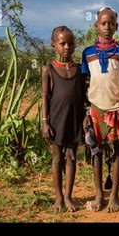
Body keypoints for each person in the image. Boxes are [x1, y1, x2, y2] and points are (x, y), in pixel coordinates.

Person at [81, 7, 119, 212]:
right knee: (96, 151)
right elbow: (83, 84)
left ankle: (114, 194)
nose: (107, 27)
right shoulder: (87, 53)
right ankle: (99, 194)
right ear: (96, 25)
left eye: (111, 24)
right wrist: (85, 111)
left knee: (117, 151)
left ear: (116, 26)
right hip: (95, 108)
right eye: (103, 23)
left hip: (116, 107)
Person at [41, 26, 86, 212]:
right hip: (56, 121)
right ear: (54, 45)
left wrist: (85, 118)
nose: (67, 47)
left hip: (74, 119)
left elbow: (83, 97)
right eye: (62, 43)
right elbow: (44, 97)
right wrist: (45, 121)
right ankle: (58, 197)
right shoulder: (48, 70)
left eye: (70, 43)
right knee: (57, 158)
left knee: (71, 157)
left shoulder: (78, 69)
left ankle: (68, 196)